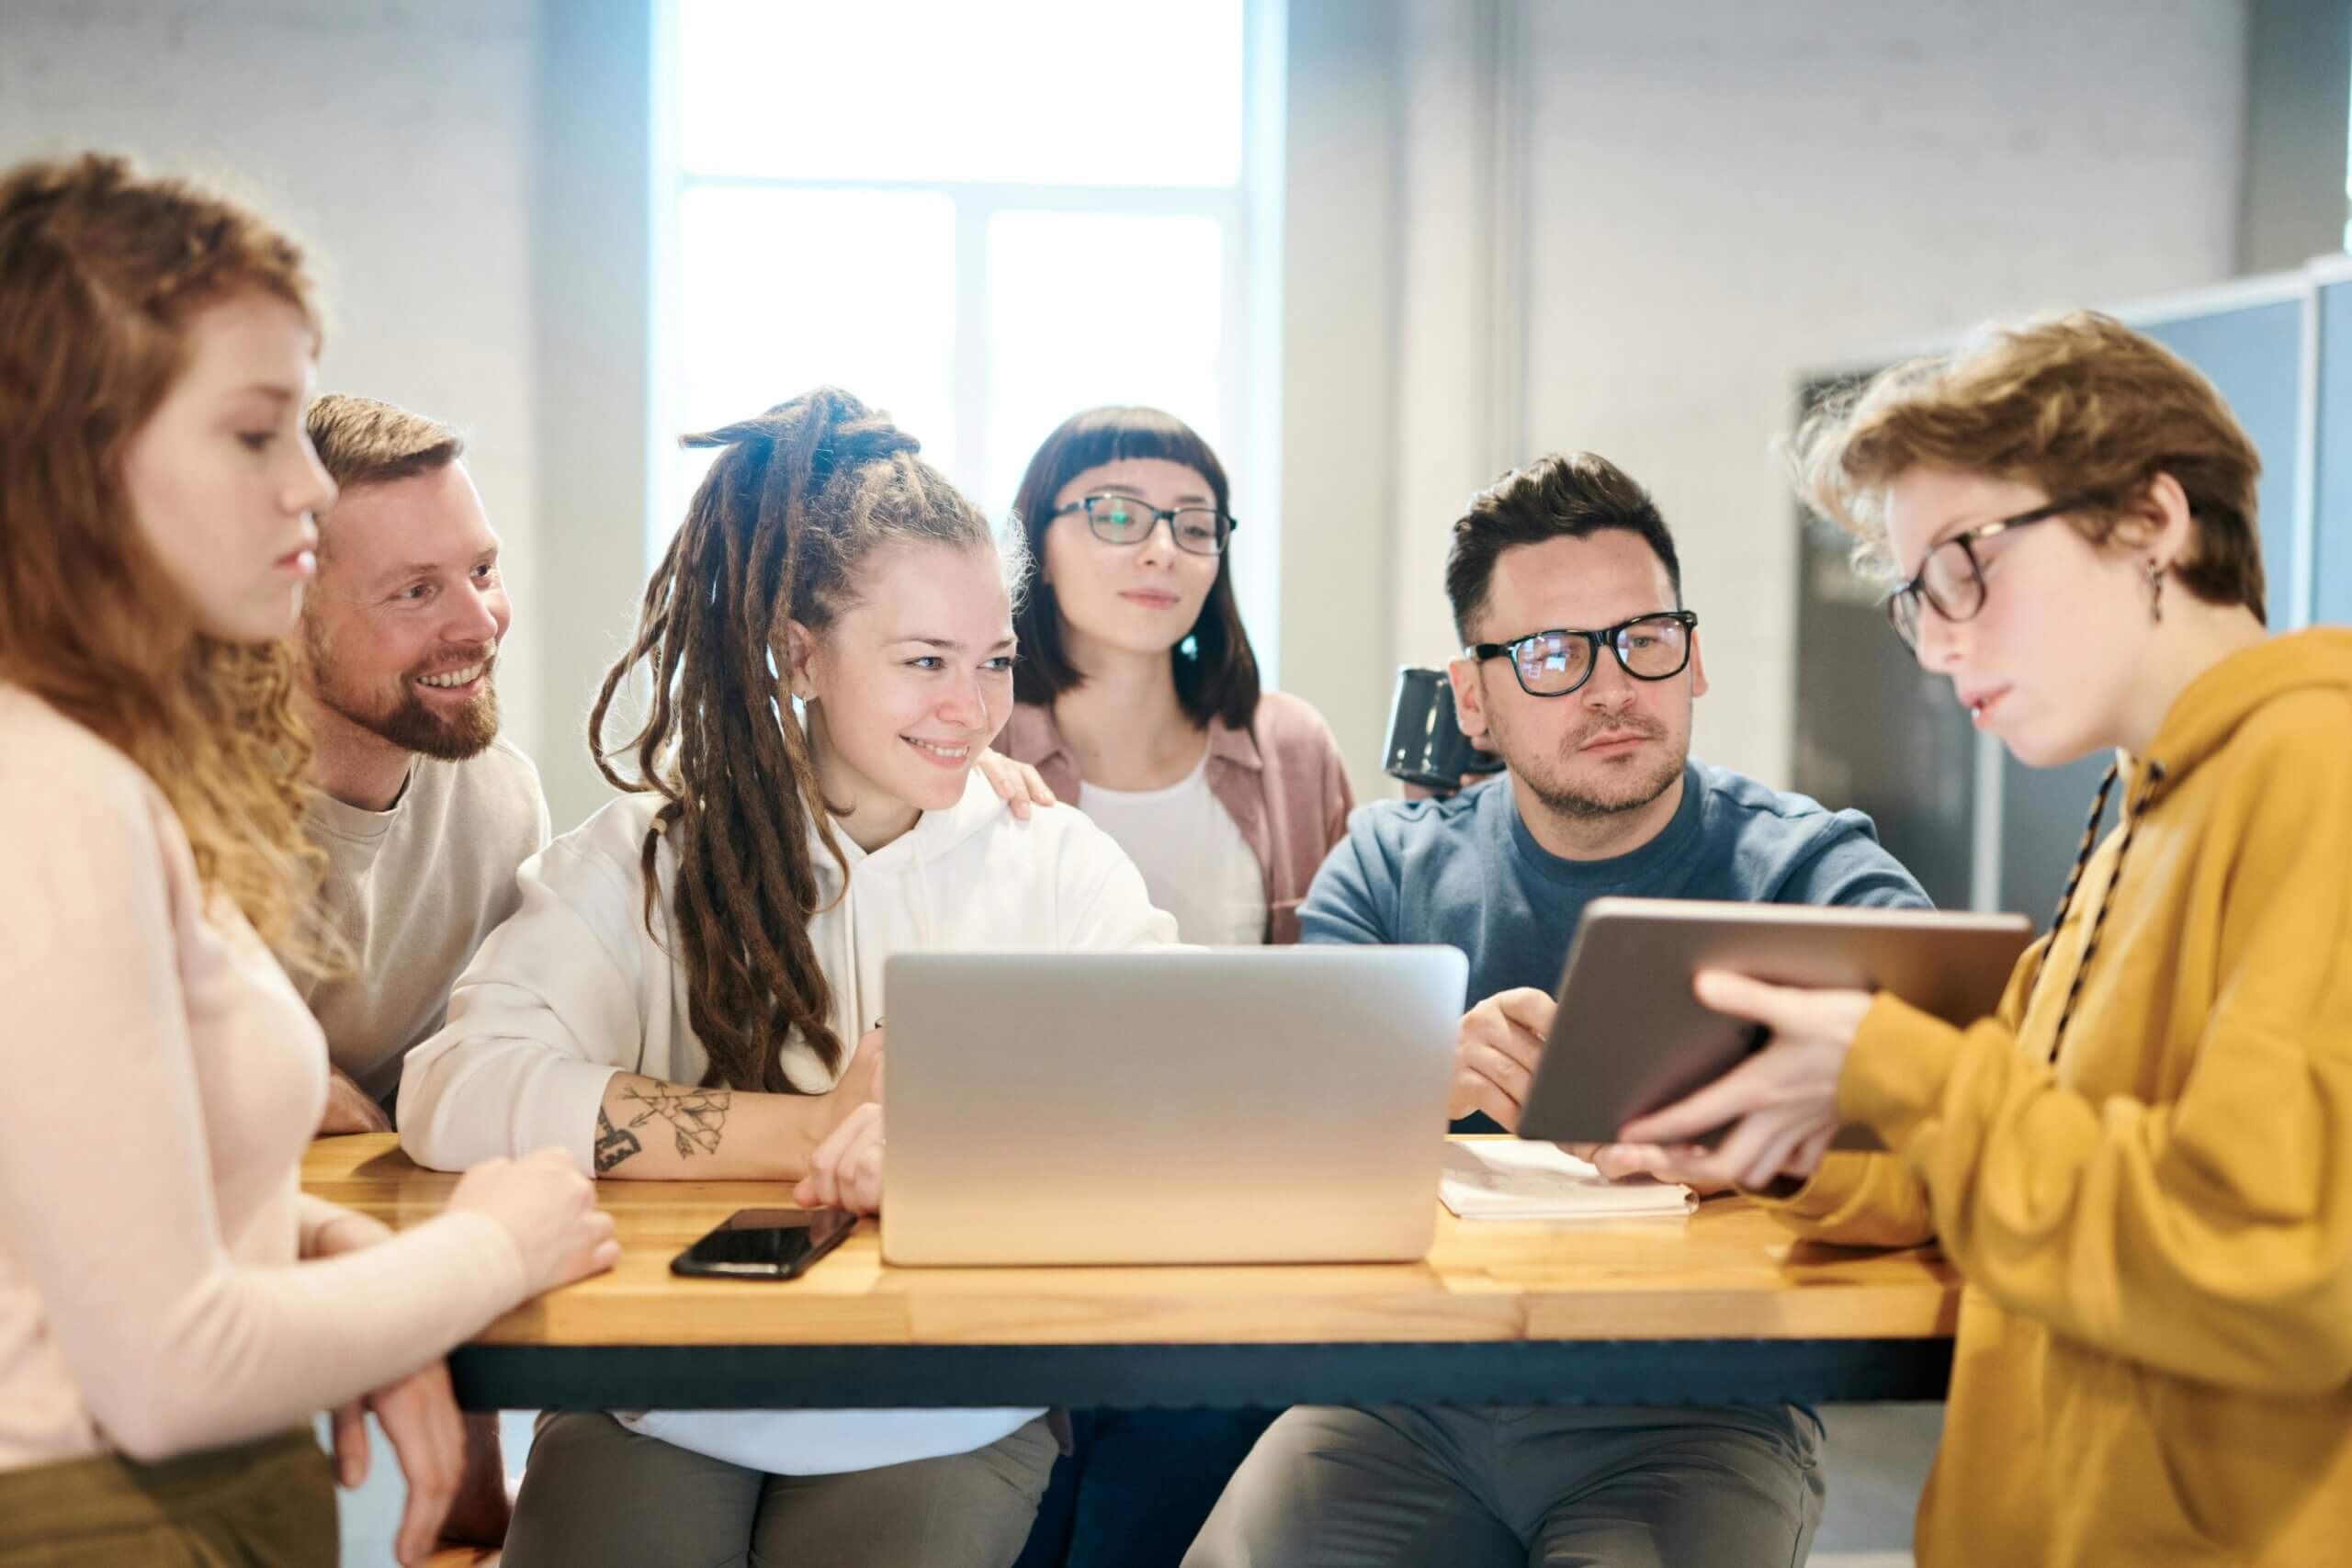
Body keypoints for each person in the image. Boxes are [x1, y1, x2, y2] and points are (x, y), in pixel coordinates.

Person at [1618, 310, 2352, 1567]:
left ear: (2149, 517)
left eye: (1968, 564)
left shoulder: (2316, 772)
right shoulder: (2143, 812)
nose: (1944, 638)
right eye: (1917, 598)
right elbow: (2009, 1177)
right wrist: (1778, 1139)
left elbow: (2268, 1263)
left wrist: (1901, 1065)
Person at [398, 387, 1175, 1568]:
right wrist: (806, 1131)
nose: (971, 712)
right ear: (799, 652)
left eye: (994, 660)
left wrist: (950, 1139)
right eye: (925, 660)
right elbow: (456, 1089)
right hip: (663, 1388)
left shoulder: (1056, 865)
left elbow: (1176, 1093)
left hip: (948, 1399)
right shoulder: (648, 858)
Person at [0, 152, 615, 1568]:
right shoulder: (57, 795)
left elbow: (93, 1212)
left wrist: (342, 1260)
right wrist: (488, 1249)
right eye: (257, 434)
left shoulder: (99, 771)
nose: (302, 491)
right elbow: (165, 1365)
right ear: (81, 452)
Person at [1185, 450, 1928, 1568]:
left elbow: (1963, 1121)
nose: (1612, 688)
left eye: (1643, 638)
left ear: (1693, 658)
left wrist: (1760, 1146)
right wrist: (1408, 1080)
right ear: (1472, 698)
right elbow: (1274, 1136)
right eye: (1548, 655)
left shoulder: (1810, 873)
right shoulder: (1386, 869)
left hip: (1696, 1416)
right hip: (1399, 1402)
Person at [992, 406, 1351, 1568]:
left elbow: (1339, 1006)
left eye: (1193, 525)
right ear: (1033, 544)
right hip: (1021, 1212)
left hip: (1233, 1228)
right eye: (1115, 514)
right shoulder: (966, 735)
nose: (1160, 549)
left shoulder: (1288, 748)